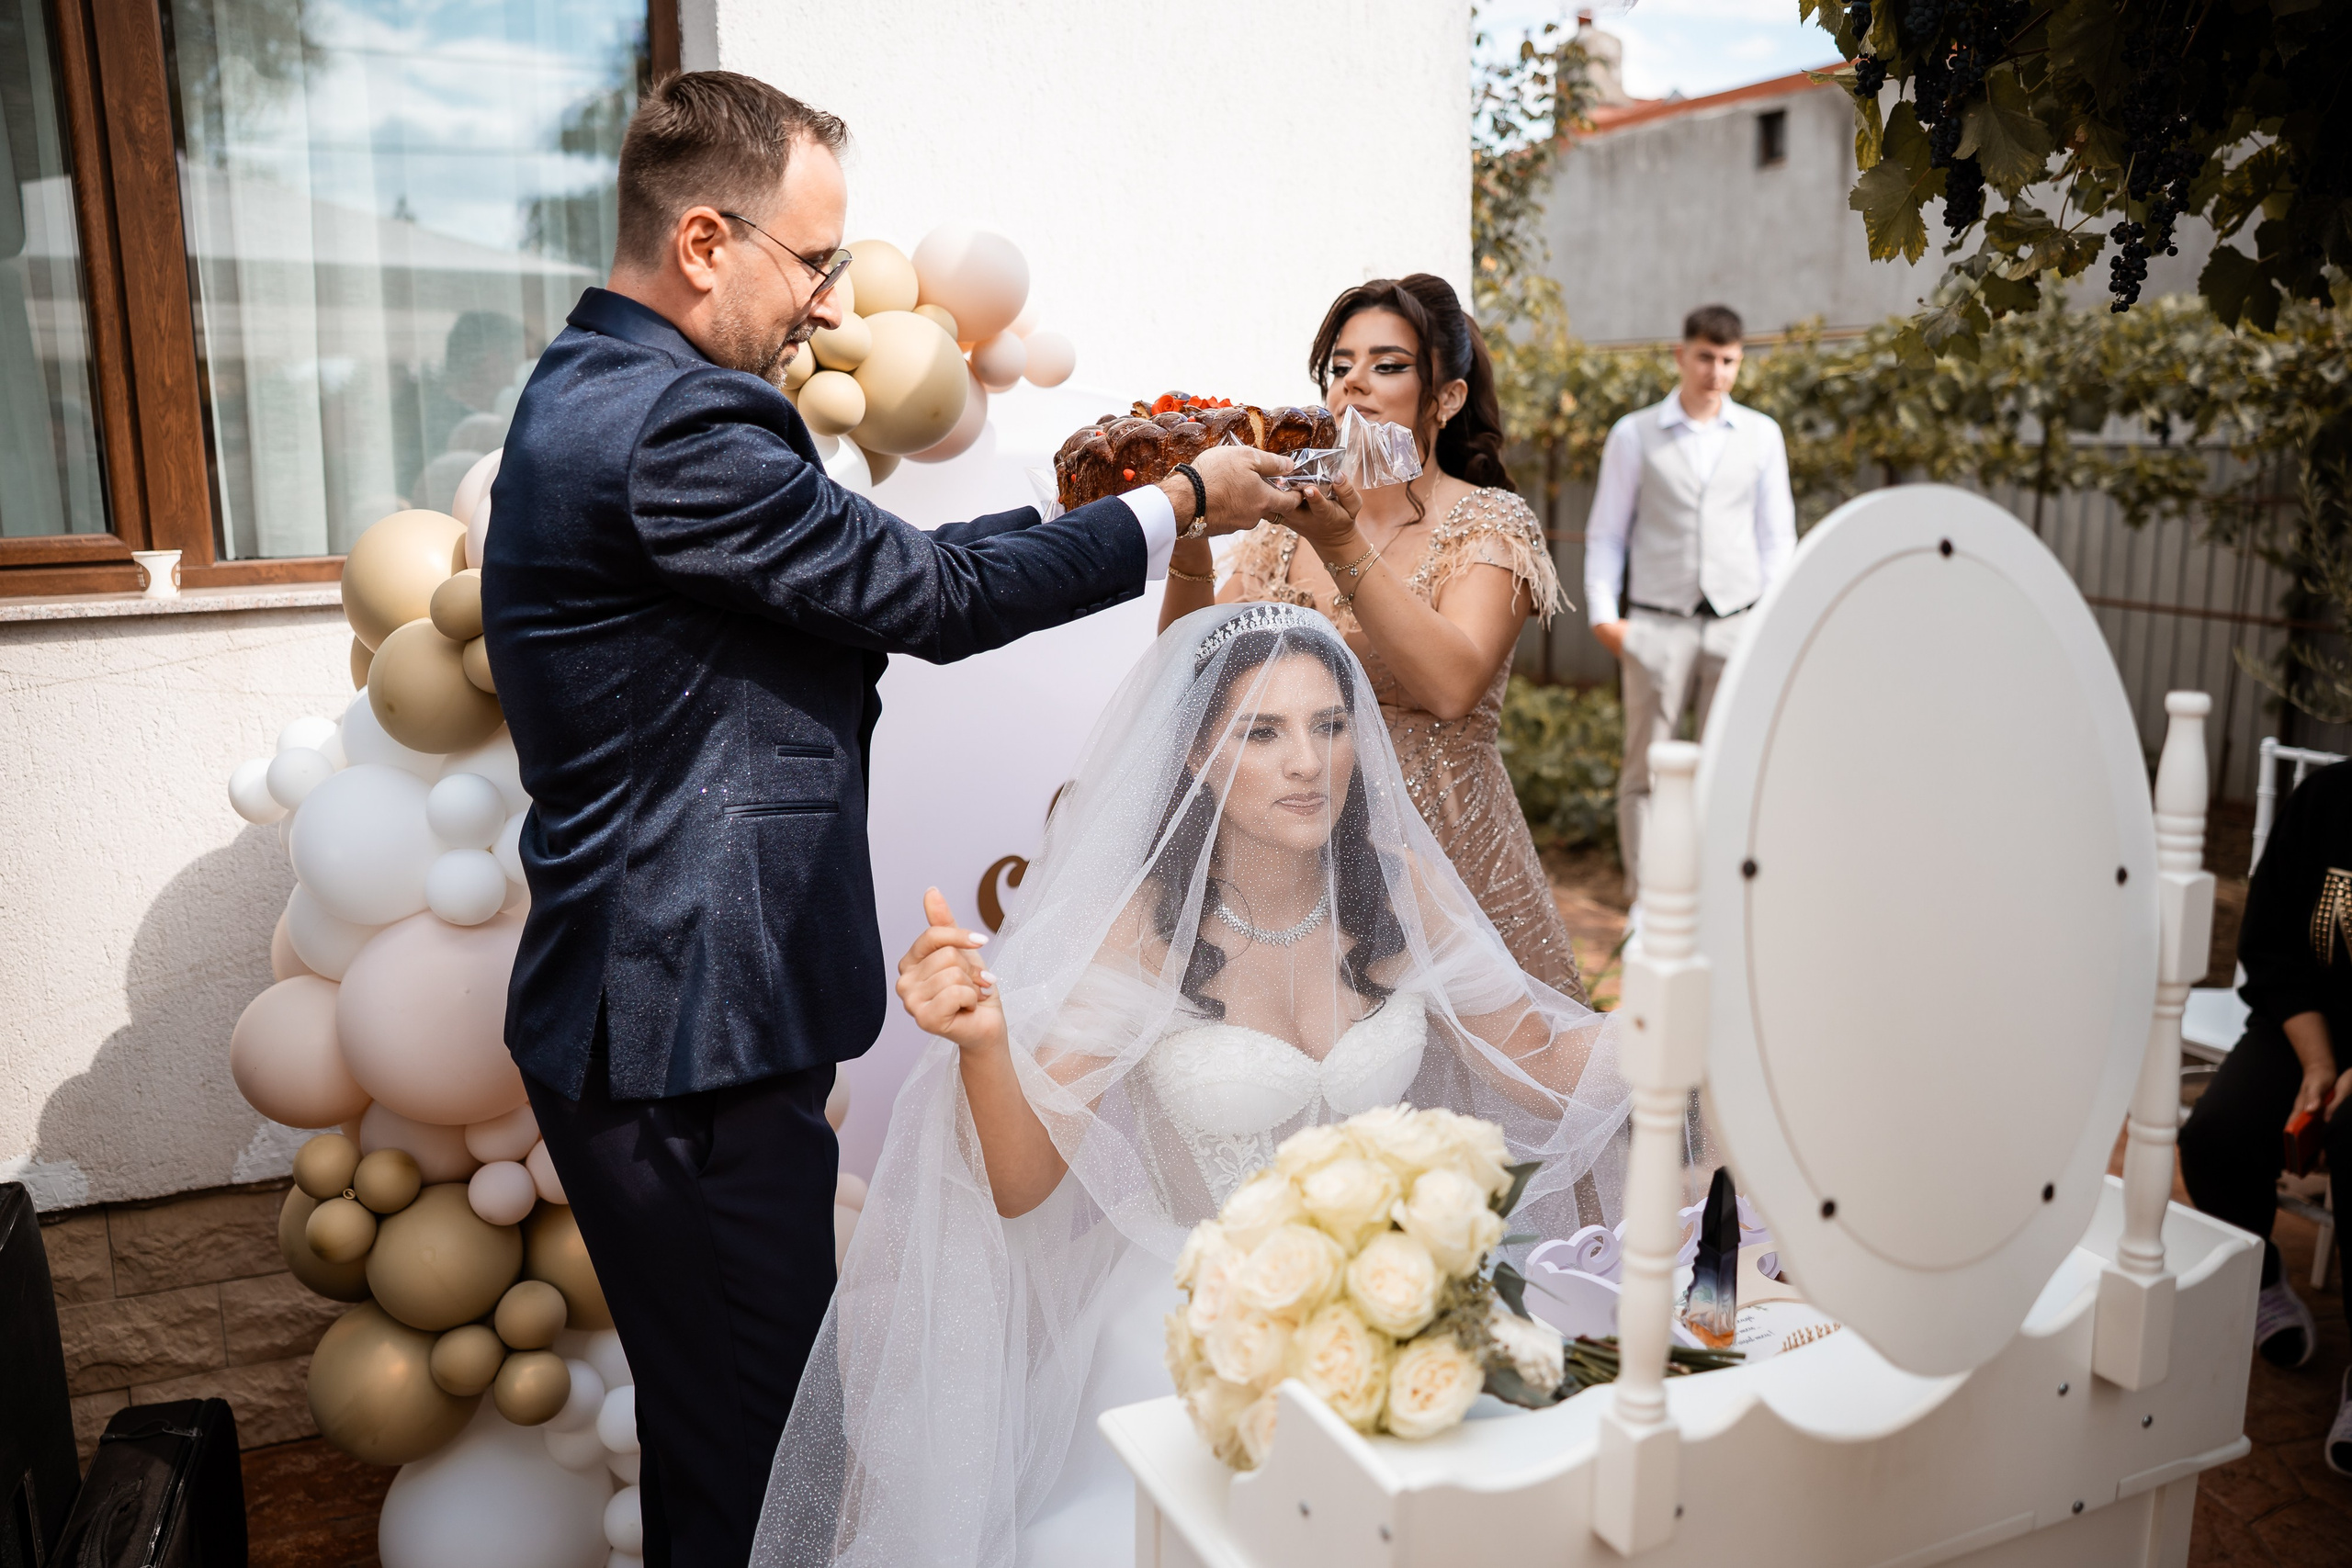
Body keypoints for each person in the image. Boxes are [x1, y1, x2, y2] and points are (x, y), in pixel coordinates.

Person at [480, 73, 1310, 1568]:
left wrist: (1090, 503)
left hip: (679, 1017)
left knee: (724, 1435)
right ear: (705, 242)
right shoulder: (674, 421)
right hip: (687, 1033)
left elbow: (885, 561)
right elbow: (929, 599)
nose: (826, 300)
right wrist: (1183, 502)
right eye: (811, 259)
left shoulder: (605, 387)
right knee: (757, 1458)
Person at [756, 602, 1631, 1567]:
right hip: (1200, 1334)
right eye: (1262, 733)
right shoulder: (1143, 931)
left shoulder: (1398, 890)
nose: (1307, 762)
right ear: (1198, 758)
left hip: (1399, 1306)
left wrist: (1668, 1014)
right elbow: (1022, 1184)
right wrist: (984, 1045)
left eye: (1329, 725)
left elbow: (1543, 1064)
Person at [1160, 274, 1587, 1001]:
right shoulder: (1282, 529)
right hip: (1307, 846)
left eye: (1387, 365)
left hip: (1448, 843)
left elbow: (1450, 685)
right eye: (1340, 366)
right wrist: (1191, 533)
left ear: (1446, 397)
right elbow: (1190, 670)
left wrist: (1339, 543)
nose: (1353, 383)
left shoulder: (1489, 520)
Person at [1584, 304, 1795, 901]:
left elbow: (1776, 536)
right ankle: (1645, 903)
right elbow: (1607, 532)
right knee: (1647, 769)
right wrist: (1604, 617)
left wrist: (1769, 619)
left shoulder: (1761, 435)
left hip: (1737, 623)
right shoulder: (1634, 434)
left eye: (1729, 360)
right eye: (1706, 357)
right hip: (1656, 622)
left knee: (1733, 760)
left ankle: (1719, 899)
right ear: (1681, 355)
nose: (1716, 372)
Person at [2177, 759, 2352, 1475]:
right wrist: (2318, 1061)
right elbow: (2270, 940)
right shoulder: (2327, 798)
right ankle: (2261, 1274)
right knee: (2214, 1136)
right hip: (2306, 1024)